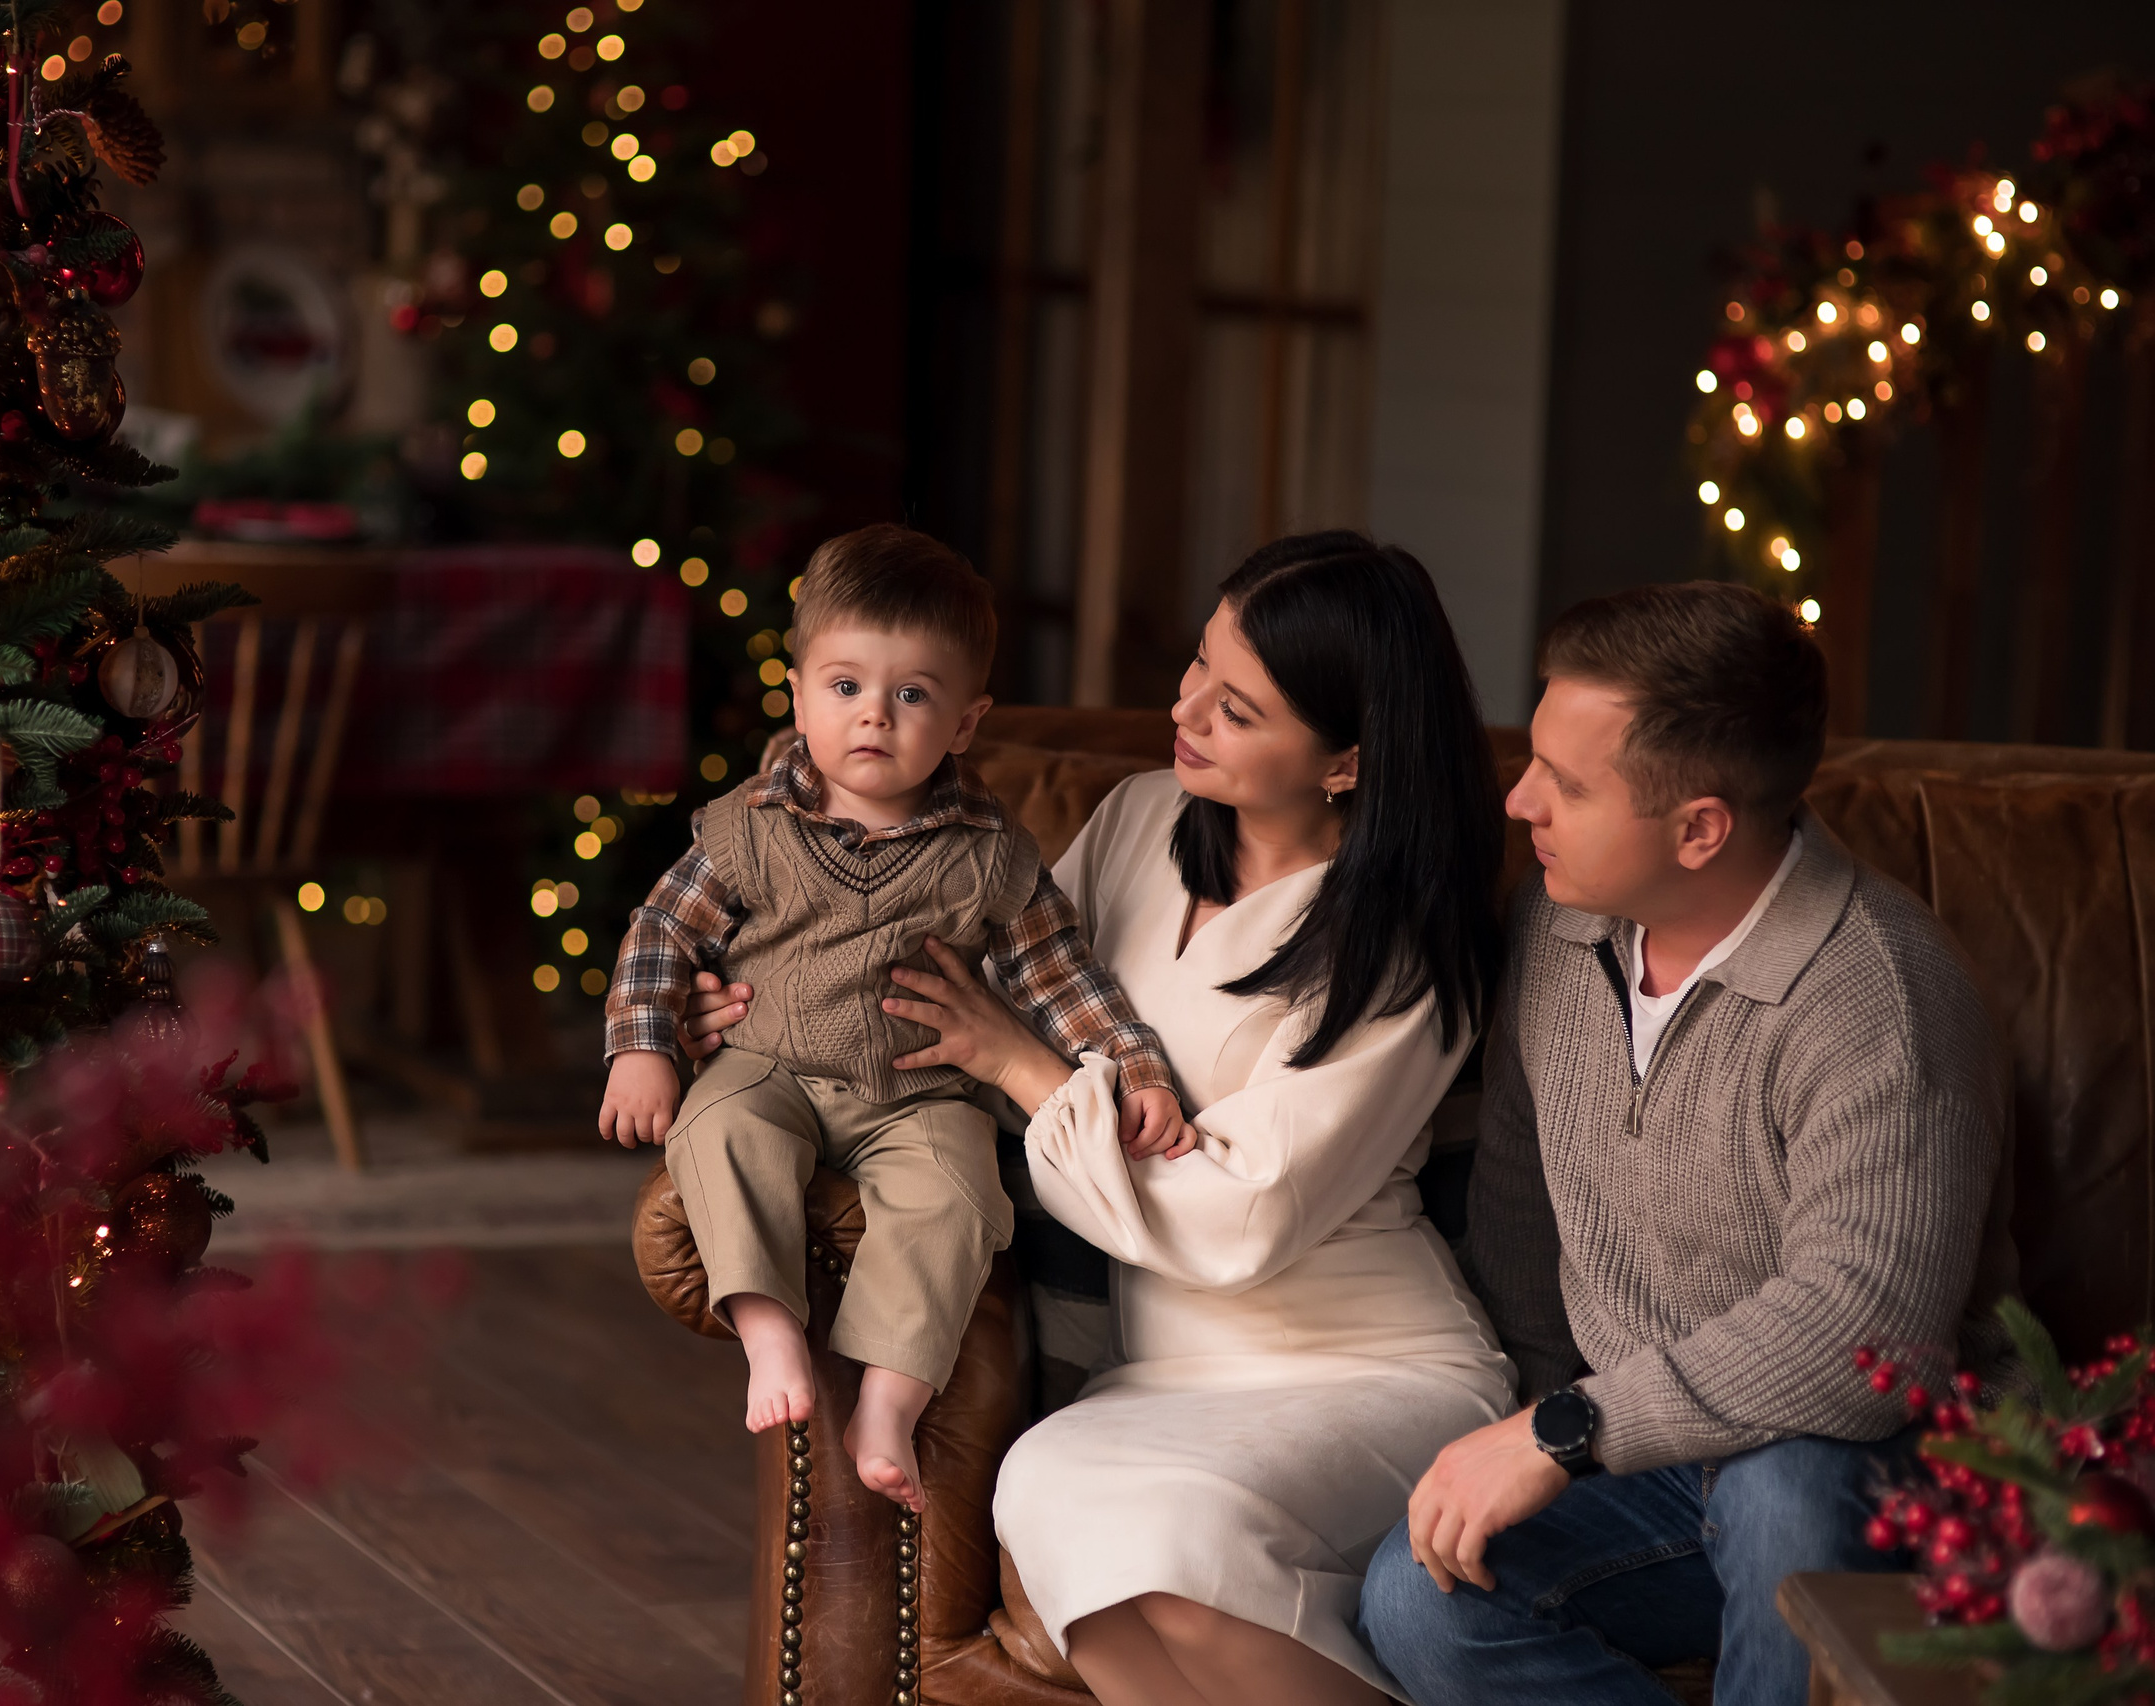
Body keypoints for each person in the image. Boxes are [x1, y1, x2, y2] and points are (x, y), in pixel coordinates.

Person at [685, 531, 1516, 1704]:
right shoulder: (1135, 821)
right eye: (1196, 667)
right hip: (1162, 1369)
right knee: (1056, 1501)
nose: (1183, 710)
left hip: (1360, 1358)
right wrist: (754, 1008)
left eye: (1236, 707)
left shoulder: (1403, 950)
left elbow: (1245, 1217)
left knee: (1168, 1537)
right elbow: (932, 995)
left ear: (1344, 760)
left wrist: (1028, 1070)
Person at [1356, 581, 2016, 1706]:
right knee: (1422, 1598)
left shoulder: (1877, 999)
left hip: (1874, 1465)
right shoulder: (1559, 922)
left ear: (1699, 827)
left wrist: (1562, 1430)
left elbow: (1865, 1342)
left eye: (1565, 784)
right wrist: (1516, 1415)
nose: (1519, 800)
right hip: (1651, 1459)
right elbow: (1517, 1198)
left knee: (1782, 1485)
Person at [598, 524, 1187, 1512]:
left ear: (964, 721)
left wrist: (1133, 1069)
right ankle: (768, 1328)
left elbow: (1060, 975)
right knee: (720, 1130)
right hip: (767, 1063)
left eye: (911, 694)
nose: (873, 715)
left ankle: (886, 1401)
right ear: (797, 693)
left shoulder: (989, 855)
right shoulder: (750, 824)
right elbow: (664, 928)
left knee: (955, 1198)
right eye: (844, 686)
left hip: (919, 1093)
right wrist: (642, 1045)